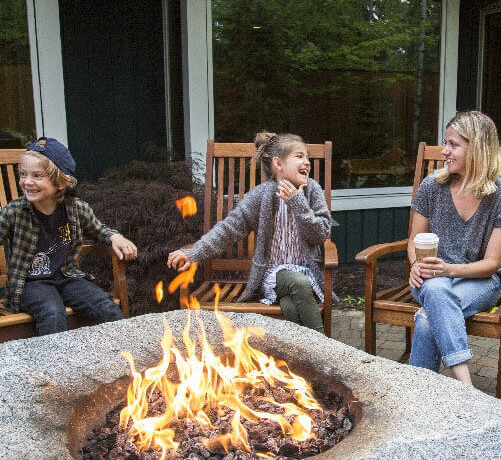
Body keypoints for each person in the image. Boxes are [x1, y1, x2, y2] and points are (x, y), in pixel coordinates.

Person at [167, 132, 331, 332]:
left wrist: (299, 204)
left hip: (308, 274)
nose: (307, 162)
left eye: (307, 157)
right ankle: (324, 347)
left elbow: (320, 234)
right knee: (298, 283)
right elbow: (228, 229)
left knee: (290, 305)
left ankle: (296, 357)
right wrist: (193, 253)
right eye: (299, 156)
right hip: (273, 275)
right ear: (278, 164)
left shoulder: (313, 191)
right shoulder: (261, 196)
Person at [407, 111, 501, 385]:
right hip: (429, 276)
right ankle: (464, 386)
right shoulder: (433, 186)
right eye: (446, 143)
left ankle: (418, 396)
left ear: (478, 148)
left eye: (453, 144)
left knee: (426, 318)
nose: (444, 151)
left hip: (479, 280)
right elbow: (414, 240)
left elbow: (493, 263)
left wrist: (448, 269)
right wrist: (415, 266)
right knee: (434, 289)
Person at [0, 137, 137, 335]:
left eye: (37, 176)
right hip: (30, 283)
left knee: (103, 305)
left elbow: (99, 230)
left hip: (67, 277)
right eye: (23, 175)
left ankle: (126, 353)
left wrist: (116, 238)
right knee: (52, 312)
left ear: (60, 182)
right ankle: (55, 364)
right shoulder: (15, 212)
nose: (27, 182)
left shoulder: (76, 208)